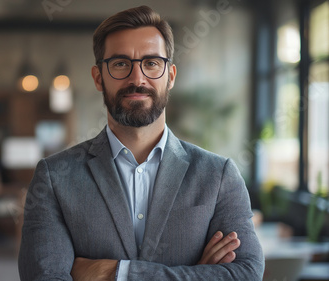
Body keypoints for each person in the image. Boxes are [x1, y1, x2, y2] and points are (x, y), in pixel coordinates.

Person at [18, 5, 264, 281]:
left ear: (170, 76)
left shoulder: (219, 176)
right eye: (121, 64)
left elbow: (246, 273)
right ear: (99, 78)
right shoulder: (54, 178)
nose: (137, 79)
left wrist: (118, 272)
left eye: (151, 63)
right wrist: (196, 274)